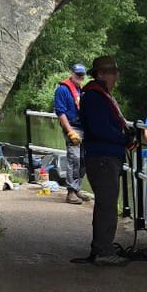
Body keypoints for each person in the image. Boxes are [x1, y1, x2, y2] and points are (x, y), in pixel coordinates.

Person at [79, 55, 133, 267]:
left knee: (107, 204)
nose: (116, 76)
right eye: (112, 72)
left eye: (115, 72)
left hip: (105, 156)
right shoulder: (95, 97)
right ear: (101, 74)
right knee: (107, 205)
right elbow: (99, 128)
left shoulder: (100, 95)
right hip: (103, 158)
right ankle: (103, 251)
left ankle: (103, 247)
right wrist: (123, 138)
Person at [53, 62, 87, 204]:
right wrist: (70, 131)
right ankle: (71, 192)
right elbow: (60, 112)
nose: (79, 76)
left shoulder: (82, 91)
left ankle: (77, 188)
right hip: (72, 127)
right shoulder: (62, 90)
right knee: (74, 159)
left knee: (84, 160)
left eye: (81, 75)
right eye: (77, 74)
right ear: (72, 74)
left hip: (85, 129)